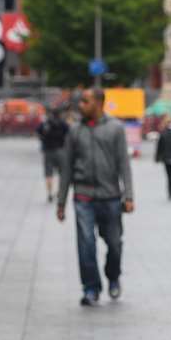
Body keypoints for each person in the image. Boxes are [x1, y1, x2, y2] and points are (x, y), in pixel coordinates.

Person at [56, 86, 134, 306]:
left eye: (85, 102)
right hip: (83, 197)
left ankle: (113, 276)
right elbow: (67, 168)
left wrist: (128, 195)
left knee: (114, 243)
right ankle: (91, 288)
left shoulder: (115, 128)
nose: (81, 105)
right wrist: (61, 202)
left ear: (99, 103)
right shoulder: (74, 131)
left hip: (110, 197)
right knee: (86, 244)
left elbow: (124, 165)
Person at [36, 106, 70, 203]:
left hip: (48, 151)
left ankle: (49, 193)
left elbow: (38, 133)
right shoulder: (63, 124)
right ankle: (60, 192)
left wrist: (44, 140)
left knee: (48, 174)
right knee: (62, 173)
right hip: (61, 151)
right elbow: (70, 135)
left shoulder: (46, 123)